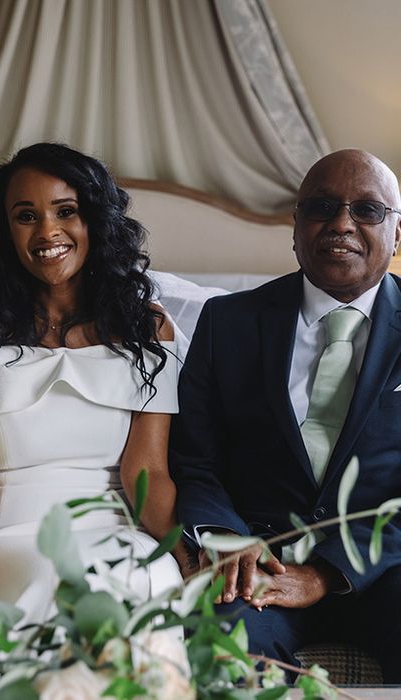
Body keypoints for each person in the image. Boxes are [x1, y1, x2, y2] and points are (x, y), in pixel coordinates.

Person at [170, 149, 401, 681]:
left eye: (367, 210)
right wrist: (228, 541)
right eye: (322, 206)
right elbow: (194, 461)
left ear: (396, 232)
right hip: (257, 568)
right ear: (295, 225)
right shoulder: (226, 322)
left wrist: (326, 575)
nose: (342, 223)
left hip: (386, 568)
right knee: (224, 659)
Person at [0, 143, 190, 626]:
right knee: (62, 578)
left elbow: (149, 474)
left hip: (117, 532)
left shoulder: (148, 329)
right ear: (6, 232)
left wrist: (185, 551)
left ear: (95, 221)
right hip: (12, 537)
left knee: (138, 580)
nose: (47, 231)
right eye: (25, 216)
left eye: (66, 211)